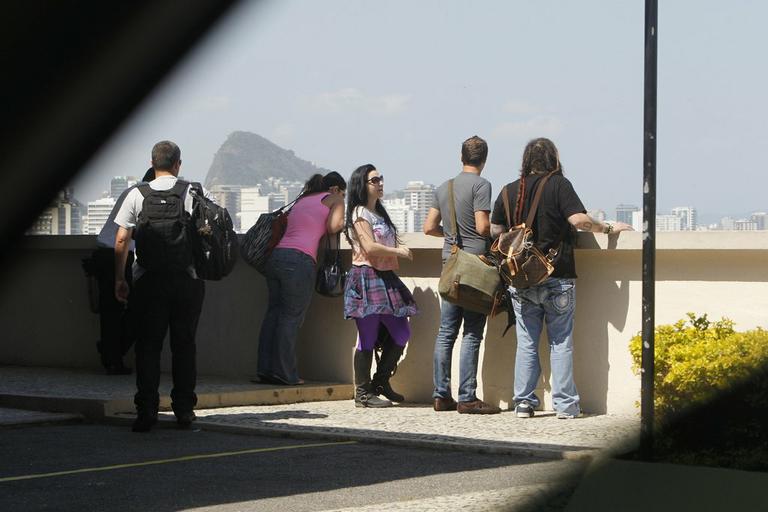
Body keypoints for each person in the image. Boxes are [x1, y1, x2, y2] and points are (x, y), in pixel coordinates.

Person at [490, 137, 632, 419]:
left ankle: (524, 403)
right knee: (561, 341)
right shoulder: (559, 185)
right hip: (557, 274)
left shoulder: (508, 191)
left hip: (521, 278)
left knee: (527, 342)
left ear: (526, 161)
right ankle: (566, 405)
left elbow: (495, 230)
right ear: (554, 159)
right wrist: (607, 228)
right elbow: (578, 220)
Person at [114, 141, 214, 432]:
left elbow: (121, 240)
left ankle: (146, 411)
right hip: (187, 280)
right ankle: (184, 410)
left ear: (152, 162)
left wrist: (120, 279)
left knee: (148, 347)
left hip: (148, 281)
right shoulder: (193, 192)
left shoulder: (136, 194)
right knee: (184, 345)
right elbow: (211, 232)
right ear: (178, 164)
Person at [424, 135, 500, 414]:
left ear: (461, 157)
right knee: (472, 332)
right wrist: (500, 230)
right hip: (475, 267)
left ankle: (440, 395)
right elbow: (482, 227)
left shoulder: (444, 187)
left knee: (446, 333)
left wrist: (451, 236)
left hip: (451, 264)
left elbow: (429, 227)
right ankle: (467, 397)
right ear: (485, 159)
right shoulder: (482, 185)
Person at [255, 172, 346, 386]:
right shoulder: (335, 199)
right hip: (299, 260)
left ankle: (265, 370)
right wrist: (343, 218)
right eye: (343, 192)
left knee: (273, 314)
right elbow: (334, 226)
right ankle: (285, 373)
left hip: (275, 257)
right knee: (290, 318)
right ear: (335, 189)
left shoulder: (303, 199)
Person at [344, 164, 417, 408]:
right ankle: (362, 393)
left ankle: (380, 382)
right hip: (366, 276)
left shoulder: (379, 212)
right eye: (374, 180)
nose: (380, 183)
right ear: (362, 185)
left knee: (401, 332)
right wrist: (399, 251)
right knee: (367, 336)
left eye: (380, 179)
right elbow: (370, 247)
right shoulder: (359, 213)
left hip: (385, 277)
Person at [84, 167, 155, 375]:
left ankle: (111, 353)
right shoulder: (146, 196)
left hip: (106, 253)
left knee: (111, 313)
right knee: (134, 309)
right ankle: (112, 355)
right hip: (118, 255)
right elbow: (128, 236)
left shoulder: (134, 191)